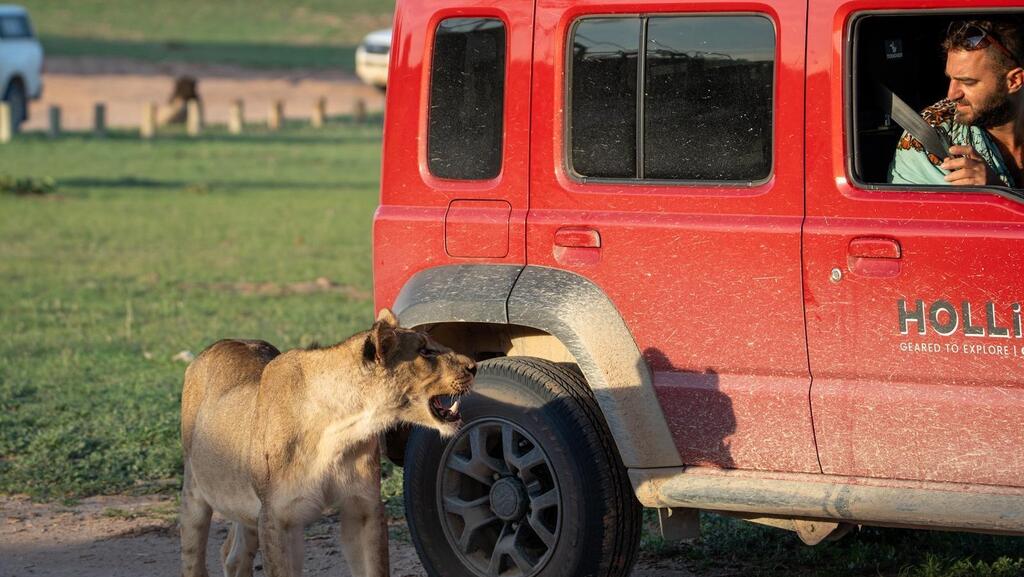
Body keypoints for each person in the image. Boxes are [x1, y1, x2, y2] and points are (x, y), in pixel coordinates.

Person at [888, 18, 1024, 187]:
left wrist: (999, 193)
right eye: (951, 78)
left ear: (1014, 81)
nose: (951, 95)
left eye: (967, 82)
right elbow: (910, 210)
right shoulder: (929, 135)